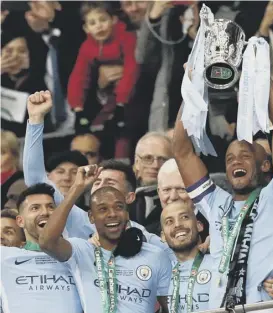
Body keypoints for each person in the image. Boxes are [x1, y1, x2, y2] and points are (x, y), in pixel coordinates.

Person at [173, 79, 273, 307]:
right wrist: (193, 85)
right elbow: (182, 151)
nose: (236, 162)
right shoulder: (215, 203)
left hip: (262, 306)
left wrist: (258, 69)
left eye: (245, 156)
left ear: (265, 165)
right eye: (229, 159)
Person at [23, 90, 165, 247]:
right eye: (97, 183)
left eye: (110, 183)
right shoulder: (78, 220)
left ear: (129, 197)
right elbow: (36, 180)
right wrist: (36, 120)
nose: (101, 187)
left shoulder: (145, 238)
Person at [39, 165, 172, 313]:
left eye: (119, 207)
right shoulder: (81, 251)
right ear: (91, 217)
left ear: (127, 214)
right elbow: (47, 242)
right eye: (103, 209)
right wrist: (76, 188)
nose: (112, 214)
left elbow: (171, 308)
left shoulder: (155, 255)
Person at [1, 184, 82, 313]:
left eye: (51, 207)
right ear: (20, 221)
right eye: (35, 208)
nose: (45, 212)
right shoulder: (4, 256)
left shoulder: (79, 253)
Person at [69, 1, 138, 134]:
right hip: (107, 96)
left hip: (130, 94)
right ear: (86, 28)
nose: (99, 26)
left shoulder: (126, 38)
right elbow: (79, 77)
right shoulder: (87, 47)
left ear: (113, 20)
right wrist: (78, 109)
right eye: (92, 23)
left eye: (103, 20)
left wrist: (121, 103)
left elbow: (131, 69)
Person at [161, 201, 215, 313]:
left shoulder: (219, 262)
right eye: (169, 221)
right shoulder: (161, 272)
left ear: (199, 226)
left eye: (184, 217)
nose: (177, 225)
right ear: (163, 237)